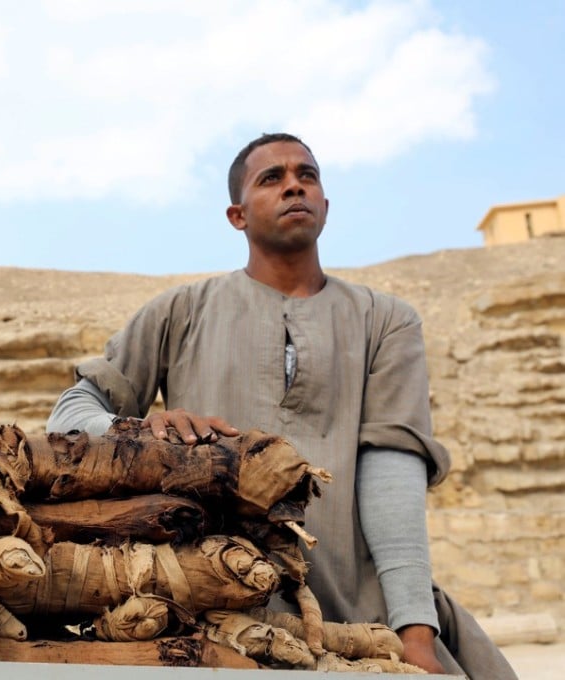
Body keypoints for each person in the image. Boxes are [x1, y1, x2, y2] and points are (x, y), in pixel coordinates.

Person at [47, 132, 516, 679]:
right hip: (214, 619)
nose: (294, 184)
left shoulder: (386, 321)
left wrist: (414, 635)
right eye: (272, 178)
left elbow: (393, 476)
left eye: (307, 175)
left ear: (325, 204)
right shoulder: (180, 310)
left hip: (361, 617)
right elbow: (71, 413)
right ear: (237, 215)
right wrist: (139, 430)